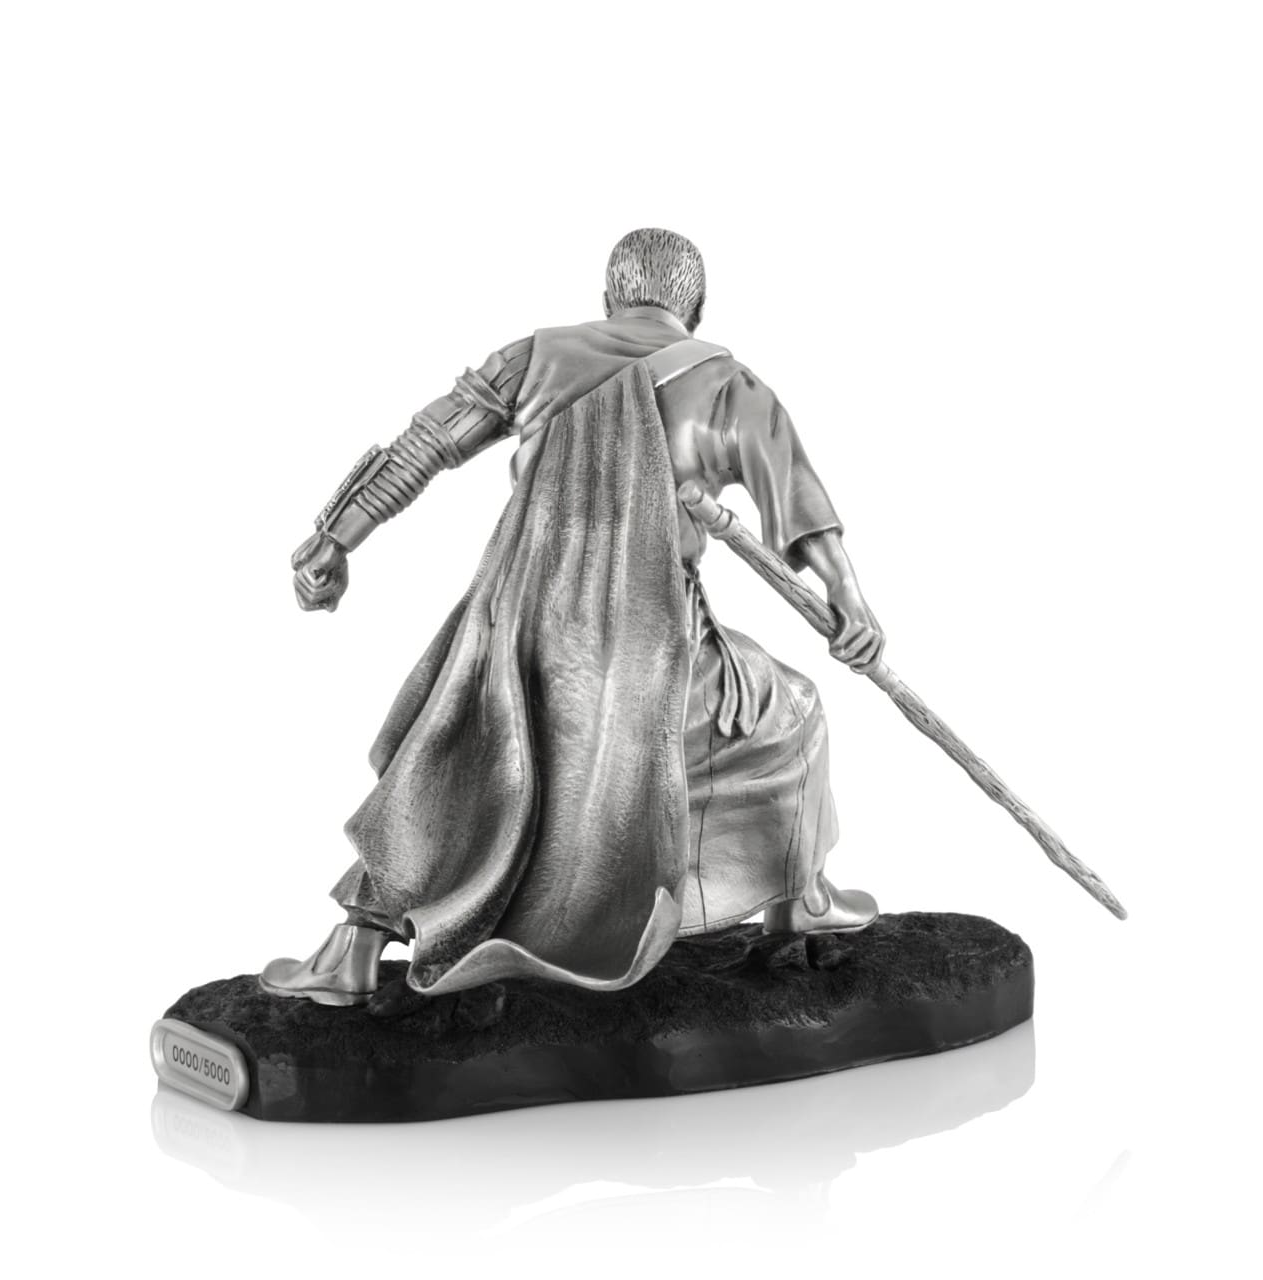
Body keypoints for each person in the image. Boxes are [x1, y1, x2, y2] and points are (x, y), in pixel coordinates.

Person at [261, 229, 886, 1007]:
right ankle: (801, 900)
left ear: (608, 299)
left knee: (444, 764)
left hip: (514, 639)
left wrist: (334, 540)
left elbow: (423, 448)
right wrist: (848, 598)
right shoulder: (730, 385)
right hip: (652, 657)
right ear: (695, 306)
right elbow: (798, 504)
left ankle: (350, 950)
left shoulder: (533, 358)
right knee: (794, 709)